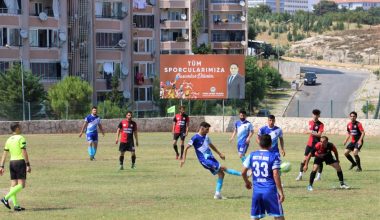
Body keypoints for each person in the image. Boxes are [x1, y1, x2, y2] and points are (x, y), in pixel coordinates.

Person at [181, 122, 241, 199]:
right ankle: (243, 174)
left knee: (221, 174)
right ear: (202, 128)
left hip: (211, 158)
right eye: (207, 129)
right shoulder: (195, 137)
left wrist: (220, 154)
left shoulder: (206, 137)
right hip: (205, 161)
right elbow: (186, 148)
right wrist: (183, 159)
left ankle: (217, 194)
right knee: (224, 168)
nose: (208, 131)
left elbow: (211, 145)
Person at [242, 134, 285, 220]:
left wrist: (247, 182)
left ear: (260, 143)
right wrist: (281, 192)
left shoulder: (252, 155)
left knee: (255, 218)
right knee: (278, 216)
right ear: (271, 144)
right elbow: (275, 174)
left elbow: (243, 172)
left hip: (256, 192)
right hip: (270, 191)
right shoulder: (274, 156)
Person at [0, 122, 31, 211]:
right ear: (17, 128)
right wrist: (27, 164)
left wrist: (1, 166)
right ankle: (5, 198)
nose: (21, 128)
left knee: (13, 185)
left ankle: (16, 205)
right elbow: (24, 151)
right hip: (19, 162)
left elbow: (4, 154)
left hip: (12, 163)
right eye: (20, 127)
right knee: (22, 185)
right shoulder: (21, 138)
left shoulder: (8, 140)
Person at [296, 109, 324, 181]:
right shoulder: (310, 122)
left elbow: (319, 134)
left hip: (317, 145)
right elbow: (307, 130)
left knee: (318, 161)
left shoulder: (321, 124)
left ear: (319, 115)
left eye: (317, 114)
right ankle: (300, 175)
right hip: (309, 144)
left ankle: (318, 176)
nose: (315, 116)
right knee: (304, 160)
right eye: (314, 114)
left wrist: (311, 132)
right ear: (312, 115)